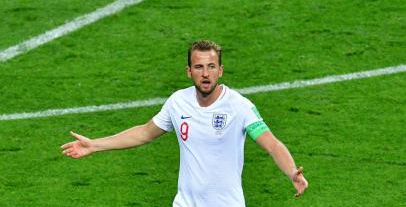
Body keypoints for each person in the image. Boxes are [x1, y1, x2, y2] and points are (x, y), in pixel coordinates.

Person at [61, 40, 308, 206]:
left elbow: (272, 145)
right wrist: (95, 145)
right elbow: (144, 133)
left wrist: (291, 172)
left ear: (220, 70)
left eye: (211, 67)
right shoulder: (178, 102)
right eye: (199, 67)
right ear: (189, 71)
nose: (205, 73)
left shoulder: (239, 106)